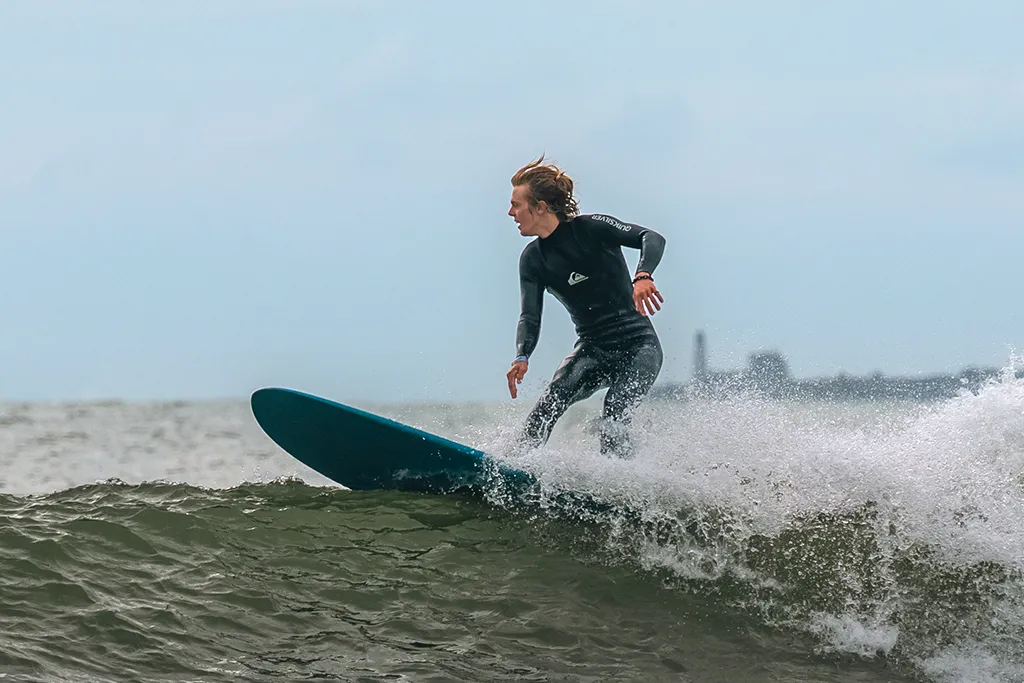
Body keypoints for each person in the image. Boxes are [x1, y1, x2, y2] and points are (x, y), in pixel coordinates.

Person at [504, 155, 667, 458]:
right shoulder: (533, 260)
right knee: (552, 400)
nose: (511, 212)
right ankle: (515, 467)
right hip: (593, 349)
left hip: (639, 347)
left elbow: (651, 237)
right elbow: (529, 315)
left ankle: (619, 482)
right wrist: (522, 355)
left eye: (516, 205)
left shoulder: (592, 228)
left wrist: (643, 275)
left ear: (540, 207)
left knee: (616, 410)